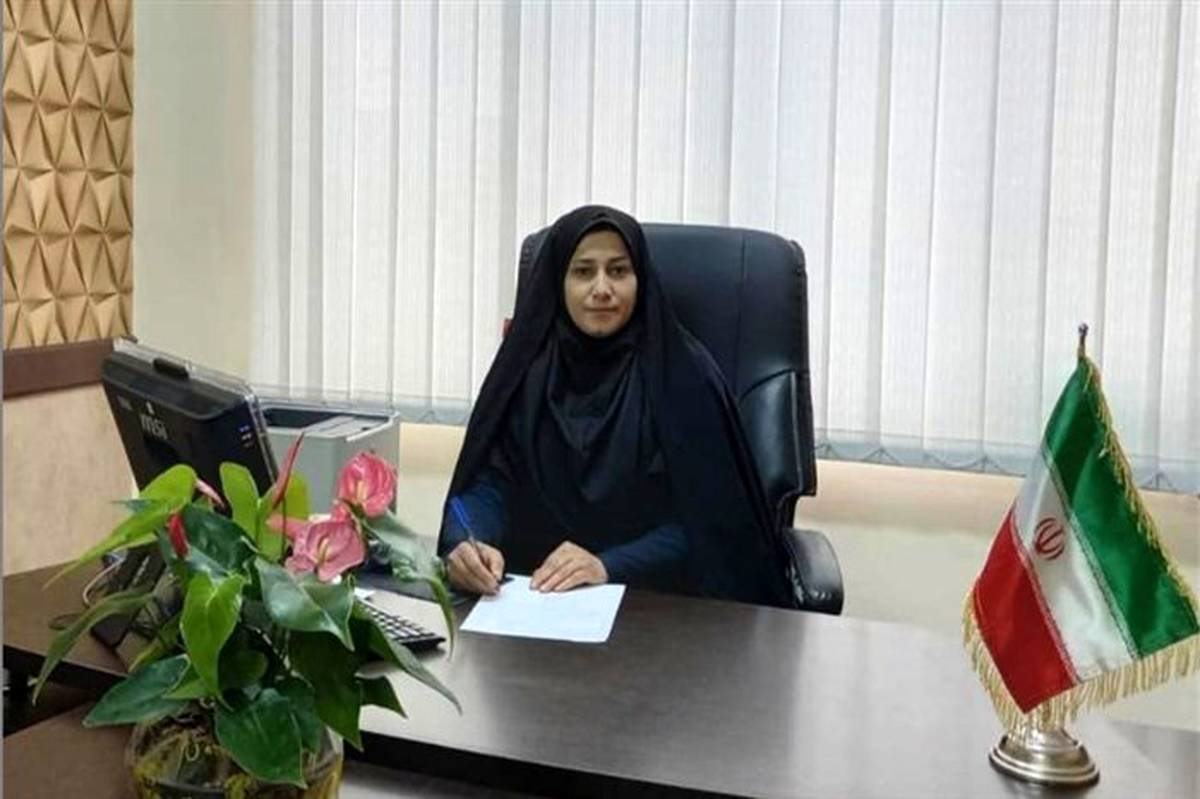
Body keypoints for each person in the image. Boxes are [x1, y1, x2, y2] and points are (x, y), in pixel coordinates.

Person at [437, 205, 796, 608]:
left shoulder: (684, 375)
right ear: (558, 282)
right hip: (536, 600)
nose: (602, 288)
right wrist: (467, 540)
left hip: (663, 606)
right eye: (583, 271)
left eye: (619, 271)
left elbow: (711, 522)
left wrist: (609, 565)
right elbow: (489, 482)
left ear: (641, 280)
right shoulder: (524, 370)